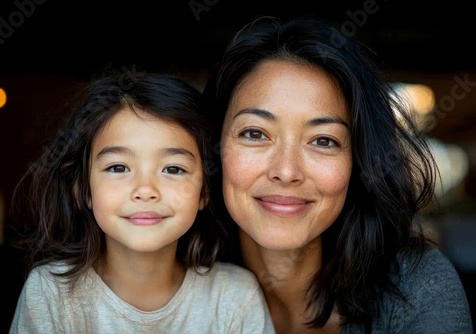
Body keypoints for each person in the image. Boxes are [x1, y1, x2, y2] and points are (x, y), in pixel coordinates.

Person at [201, 15, 474, 333]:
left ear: (357, 162)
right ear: (214, 147)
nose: (286, 171)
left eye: (323, 140)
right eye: (255, 133)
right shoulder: (166, 291)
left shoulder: (415, 287)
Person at [9, 71, 275, 333]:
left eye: (173, 169)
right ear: (84, 190)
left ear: (204, 192)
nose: (145, 190)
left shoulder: (234, 299)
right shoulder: (51, 294)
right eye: (118, 168)